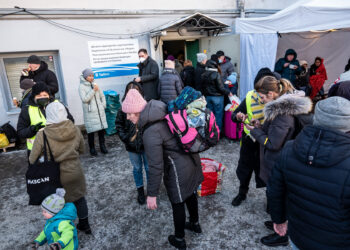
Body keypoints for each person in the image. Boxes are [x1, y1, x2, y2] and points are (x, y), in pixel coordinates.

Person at [267, 96, 350, 250]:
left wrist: (278, 219)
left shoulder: (290, 148)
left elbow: (275, 190)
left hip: (298, 235)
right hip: (337, 242)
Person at [245, 76, 312, 247]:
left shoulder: (283, 115)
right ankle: (279, 221)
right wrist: (259, 127)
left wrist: (255, 132)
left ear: (273, 94)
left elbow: (274, 143)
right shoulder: (278, 109)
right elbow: (273, 133)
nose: (260, 99)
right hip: (280, 160)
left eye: (263, 96)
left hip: (280, 161)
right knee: (278, 195)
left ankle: (283, 233)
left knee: (280, 196)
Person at [136, 97, 203, 250]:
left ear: (138, 112)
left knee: (177, 201)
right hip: (192, 159)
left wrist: (151, 194)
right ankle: (195, 224)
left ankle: (179, 239)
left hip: (178, 168)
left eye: (130, 114)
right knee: (190, 192)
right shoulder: (165, 111)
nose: (128, 117)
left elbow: (155, 165)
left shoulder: (151, 131)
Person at [29, 102, 91, 235]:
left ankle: (64, 230)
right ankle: (85, 225)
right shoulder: (75, 128)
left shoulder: (43, 134)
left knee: (58, 203)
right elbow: (82, 149)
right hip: (75, 171)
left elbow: (32, 159)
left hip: (55, 175)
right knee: (79, 198)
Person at [230, 68, 277, 207]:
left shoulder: (276, 100)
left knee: (269, 172)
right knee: (245, 168)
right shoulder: (250, 96)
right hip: (249, 140)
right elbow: (235, 114)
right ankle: (242, 193)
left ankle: (270, 201)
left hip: (267, 143)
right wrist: (238, 116)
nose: (258, 94)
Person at [17, 82, 74, 156]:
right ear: (34, 96)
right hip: (38, 151)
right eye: (39, 95)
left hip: (58, 148)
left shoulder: (58, 105)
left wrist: (60, 127)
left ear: (49, 95)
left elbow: (71, 122)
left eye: (44, 95)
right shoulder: (27, 109)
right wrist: (32, 129)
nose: (42, 97)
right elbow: (21, 132)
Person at [116, 84, 149, 205]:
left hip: (146, 145)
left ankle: (151, 190)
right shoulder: (123, 109)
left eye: (135, 90)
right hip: (131, 146)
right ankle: (140, 190)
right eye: (129, 90)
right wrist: (126, 138)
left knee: (148, 168)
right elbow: (118, 125)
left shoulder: (144, 108)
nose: (132, 93)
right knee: (137, 168)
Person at [79, 68, 108, 156]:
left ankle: (103, 146)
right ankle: (92, 148)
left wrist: (103, 105)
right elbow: (85, 99)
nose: (91, 77)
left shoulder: (95, 84)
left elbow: (102, 96)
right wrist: (93, 90)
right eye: (89, 76)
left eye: (92, 76)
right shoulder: (81, 87)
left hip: (99, 112)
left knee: (101, 131)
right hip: (90, 112)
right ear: (85, 77)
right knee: (91, 132)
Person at [201, 55, 232, 131]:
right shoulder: (216, 74)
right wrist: (228, 92)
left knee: (210, 116)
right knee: (218, 116)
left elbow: (203, 87)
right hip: (217, 97)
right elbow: (220, 88)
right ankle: (218, 132)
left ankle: (210, 132)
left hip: (208, 97)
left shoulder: (203, 74)